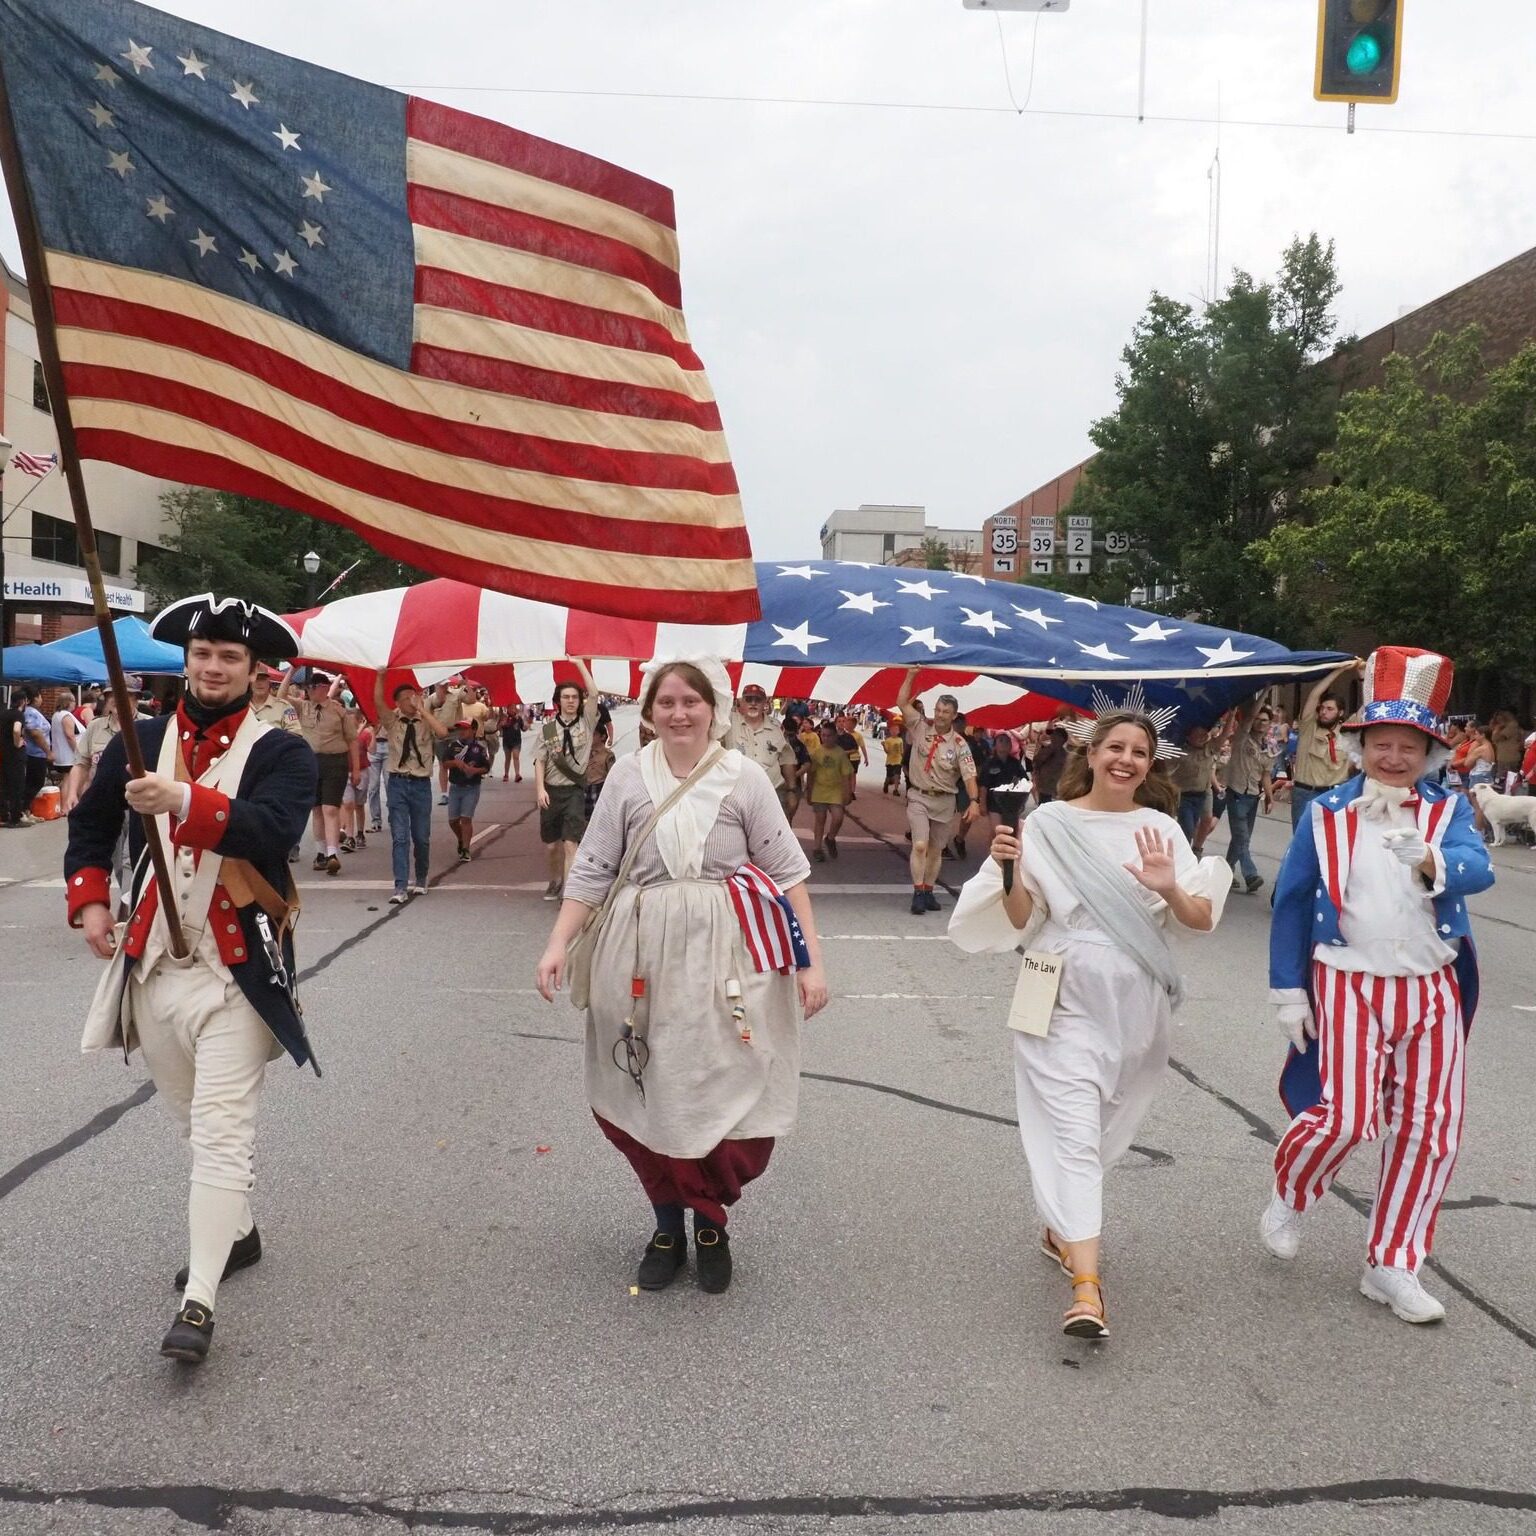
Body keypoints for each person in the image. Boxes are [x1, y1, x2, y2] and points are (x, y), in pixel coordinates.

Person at [65, 593, 318, 1364]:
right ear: (187, 660)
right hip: (155, 963)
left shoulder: (283, 752)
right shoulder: (140, 740)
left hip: (237, 973)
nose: (213, 668)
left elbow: (273, 831)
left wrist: (183, 800)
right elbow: (93, 824)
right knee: (189, 1122)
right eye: (203, 654)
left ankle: (199, 1302)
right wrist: (89, 900)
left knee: (220, 1133)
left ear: (256, 672)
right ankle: (237, 1233)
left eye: (230, 658)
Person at [536, 657, 827, 1294]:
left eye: (690, 702)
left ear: (711, 708)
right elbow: (591, 870)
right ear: (648, 710)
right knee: (645, 1081)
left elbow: (787, 874)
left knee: (721, 1082)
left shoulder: (745, 777)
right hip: (637, 951)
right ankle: (668, 1222)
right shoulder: (625, 778)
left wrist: (810, 965)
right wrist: (558, 943)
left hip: (728, 955)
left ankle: (710, 1223)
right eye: (665, 702)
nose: (678, 713)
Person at [949, 694, 1227, 1341]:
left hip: (1135, 1005)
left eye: (1139, 751)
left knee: (1099, 1134)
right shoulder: (1048, 825)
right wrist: (1008, 866)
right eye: (1115, 748)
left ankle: (1062, 1225)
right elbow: (1022, 919)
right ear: (1091, 753)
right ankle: (1086, 1289)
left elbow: (1200, 918)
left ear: (1150, 763)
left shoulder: (1159, 828)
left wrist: (1168, 888)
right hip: (1061, 992)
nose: (1126, 759)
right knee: (1074, 1133)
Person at [1262, 647, 1495, 1325]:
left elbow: (1479, 870)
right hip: (1348, 979)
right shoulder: (1326, 813)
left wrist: (1433, 861)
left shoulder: (1448, 812)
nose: (1393, 757)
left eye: (1408, 746)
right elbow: (1293, 900)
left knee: (1431, 1129)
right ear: (1359, 747)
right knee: (1349, 1116)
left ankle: (1392, 1261)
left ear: (1429, 753)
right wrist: (1288, 988)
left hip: (1430, 984)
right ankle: (1292, 1187)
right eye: (1381, 744)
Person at [895, 670, 979, 916]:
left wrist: (974, 801)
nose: (940, 716)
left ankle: (929, 890)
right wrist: (910, 675)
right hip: (919, 796)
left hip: (944, 801)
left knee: (935, 849)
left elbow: (969, 775)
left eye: (945, 712)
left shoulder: (959, 745)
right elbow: (901, 702)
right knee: (920, 845)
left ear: (953, 716)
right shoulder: (919, 728)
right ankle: (918, 892)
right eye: (938, 710)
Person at [372, 675, 450, 904]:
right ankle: (400, 886)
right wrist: (380, 675)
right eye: (405, 699)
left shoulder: (425, 719)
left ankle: (422, 877)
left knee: (421, 837)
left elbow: (443, 732)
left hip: (420, 784)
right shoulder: (391, 721)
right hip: (397, 782)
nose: (410, 702)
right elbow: (377, 700)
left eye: (412, 697)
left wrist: (422, 710)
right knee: (400, 836)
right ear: (397, 703)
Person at [283, 669, 358, 875]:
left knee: (330, 809)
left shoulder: (338, 710)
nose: (313, 690)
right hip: (310, 762)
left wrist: (356, 769)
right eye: (311, 687)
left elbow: (352, 740)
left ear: (325, 688)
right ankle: (321, 853)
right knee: (316, 810)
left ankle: (333, 854)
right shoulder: (303, 707)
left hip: (335, 761)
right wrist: (291, 669)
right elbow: (280, 696)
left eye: (317, 687)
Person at [534, 663, 599, 901]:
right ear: (558, 701)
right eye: (566, 697)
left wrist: (580, 663)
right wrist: (540, 789)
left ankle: (569, 893)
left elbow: (594, 692)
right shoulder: (548, 730)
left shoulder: (587, 722)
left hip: (574, 791)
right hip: (552, 790)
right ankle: (555, 880)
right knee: (552, 846)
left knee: (571, 844)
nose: (571, 701)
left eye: (574, 697)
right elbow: (540, 761)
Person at [1290, 662, 1358, 830]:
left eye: (1329, 709)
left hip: (1334, 794)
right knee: (1302, 840)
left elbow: (1367, 709)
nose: (1323, 712)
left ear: (1340, 713)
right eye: (1322, 708)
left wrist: (1362, 674)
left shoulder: (1348, 733)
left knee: (1331, 842)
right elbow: (1315, 694)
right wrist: (1339, 670)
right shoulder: (1309, 727)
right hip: (1305, 793)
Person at [1224, 702, 1275, 895]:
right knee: (1242, 838)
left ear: (1270, 724)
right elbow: (1246, 719)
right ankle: (1250, 875)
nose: (1260, 723)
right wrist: (1264, 690)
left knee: (1241, 839)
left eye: (1265, 720)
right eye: (1257, 720)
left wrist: (1269, 798)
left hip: (1253, 796)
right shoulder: (1242, 738)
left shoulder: (1269, 747)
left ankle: (1226, 871)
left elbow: (1266, 774)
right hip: (1236, 792)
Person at [805, 719, 854, 863]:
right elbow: (811, 774)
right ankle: (817, 848)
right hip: (819, 791)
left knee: (838, 817)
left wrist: (848, 793)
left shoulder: (840, 754)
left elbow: (846, 775)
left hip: (836, 791)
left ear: (835, 737)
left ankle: (831, 837)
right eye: (824, 735)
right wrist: (809, 792)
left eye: (829, 736)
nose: (826, 738)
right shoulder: (817, 753)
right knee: (820, 820)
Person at [444, 717, 492, 863]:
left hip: (471, 788)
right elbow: (445, 763)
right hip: (455, 787)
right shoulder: (453, 746)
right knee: (453, 821)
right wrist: (455, 763)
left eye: (465, 729)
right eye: (460, 729)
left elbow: (486, 767)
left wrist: (474, 770)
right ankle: (461, 839)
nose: (462, 732)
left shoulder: (479, 749)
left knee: (466, 818)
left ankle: (465, 849)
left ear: (473, 730)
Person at [978, 730, 1031, 836]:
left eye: (1007, 741)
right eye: (1001, 741)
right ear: (995, 745)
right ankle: (993, 851)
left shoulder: (1015, 763)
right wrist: (982, 804)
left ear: (1011, 746)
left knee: (1010, 831)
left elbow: (1024, 780)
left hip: (1011, 802)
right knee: (997, 831)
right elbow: (983, 786)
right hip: (994, 802)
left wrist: (1022, 801)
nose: (1004, 744)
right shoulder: (989, 764)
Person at [19, 687, 51, 807]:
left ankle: (26, 809)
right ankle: (23, 809)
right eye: (40, 696)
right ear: (35, 698)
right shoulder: (31, 712)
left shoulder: (30, 712)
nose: (41, 699)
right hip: (35, 753)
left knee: (33, 782)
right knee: (35, 782)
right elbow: (35, 733)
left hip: (37, 752)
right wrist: (48, 751)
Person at [49, 691, 80, 784]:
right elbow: (70, 735)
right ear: (68, 702)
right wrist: (78, 752)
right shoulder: (65, 715)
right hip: (68, 756)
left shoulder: (56, 715)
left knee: (67, 779)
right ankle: (67, 798)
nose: (75, 703)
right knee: (69, 780)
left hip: (61, 754)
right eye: (74, 701)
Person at [501, 706, 524, 784]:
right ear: (507, 709)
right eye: (510, 708)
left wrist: (527, 722)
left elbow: (524, 728)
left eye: (513, 708)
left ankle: (517, 774)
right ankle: (506, 774)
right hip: (506, 741)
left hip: (516, 741)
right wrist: (502, 723)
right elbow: (498, 727)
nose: (512, 710)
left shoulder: (518, 718)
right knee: (507, 758)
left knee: (516, 756)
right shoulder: (504, 717)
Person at [881, 721, 905, 794]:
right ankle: (886, 784)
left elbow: (902, 751)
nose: (894, 731)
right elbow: (887, 751)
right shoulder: (888, 740)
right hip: (890, 761)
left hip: (898, 760)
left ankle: (896, 789)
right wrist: (884, 746)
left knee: (897, 775)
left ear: (898, 731)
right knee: (889, 776)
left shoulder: (900, 740)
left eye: (896, 730)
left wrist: (903, 759)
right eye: (893, 730)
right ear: (890, 731)